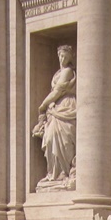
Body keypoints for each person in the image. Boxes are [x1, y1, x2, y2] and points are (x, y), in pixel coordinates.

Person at [33, 45, 76, 187]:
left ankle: (64, 172)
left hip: (66, 106)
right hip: (55, 108)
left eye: (65, 56)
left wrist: (43, 105)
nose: (62, 59)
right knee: (50, 138)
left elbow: (58, 91)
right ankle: (53, 173)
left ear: (70, 58)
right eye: (61, 56)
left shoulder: (68, 71)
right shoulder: (58, 72)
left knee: (64, 139)